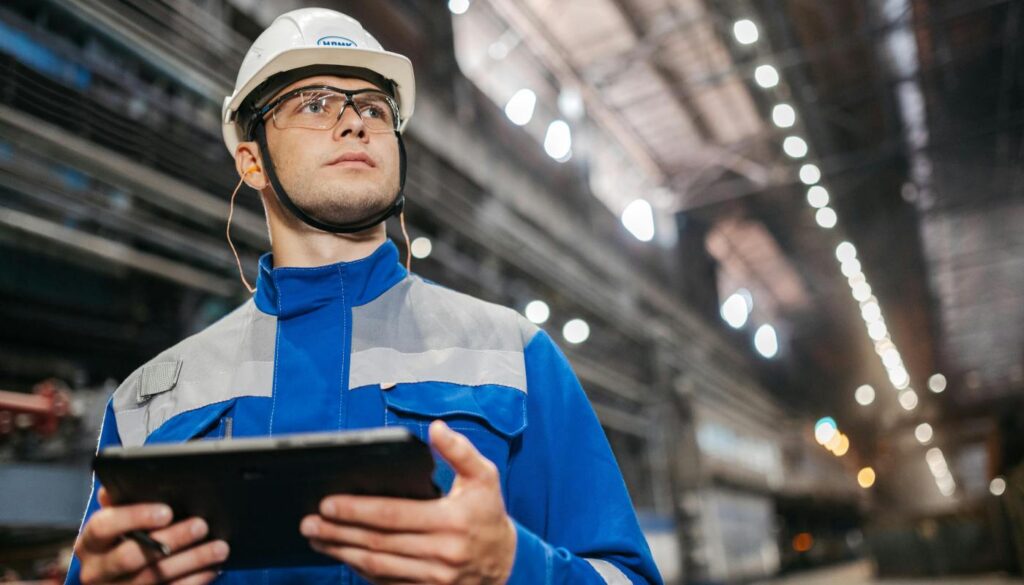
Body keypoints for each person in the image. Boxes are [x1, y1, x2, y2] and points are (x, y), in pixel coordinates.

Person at [66, 8, 662, 585]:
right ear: (251, 161)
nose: (356, 123)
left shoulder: (517, 357)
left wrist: (513, 567)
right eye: (315, 104)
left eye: (374, 109)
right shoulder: (149, 401)